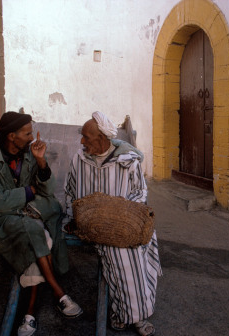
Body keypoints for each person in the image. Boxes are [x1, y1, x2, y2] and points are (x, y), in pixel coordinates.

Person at [0, 111, 83, 336]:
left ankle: (30, 314)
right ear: (11, 136)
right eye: (26, 133)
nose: (31, 137)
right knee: (38, 231)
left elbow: (46, 190)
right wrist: (28, 191)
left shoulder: (28, 155)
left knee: (40, 225)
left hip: (28, 215)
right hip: (2, 220)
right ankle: (58, 292)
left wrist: (41, 161)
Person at [63, 111, 162, 336]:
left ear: (102, 138)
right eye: (82, 136)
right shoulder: (79, 159)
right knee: (114, 250)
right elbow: (69, 191)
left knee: (129, 251)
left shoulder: (128, 160)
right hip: (89, 225)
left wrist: (119, 217)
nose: (81, 141)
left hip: (123, 224)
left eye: (86, 137)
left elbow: (140, 193)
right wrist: (71, 216)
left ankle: (131, 315)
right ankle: (130, 314)